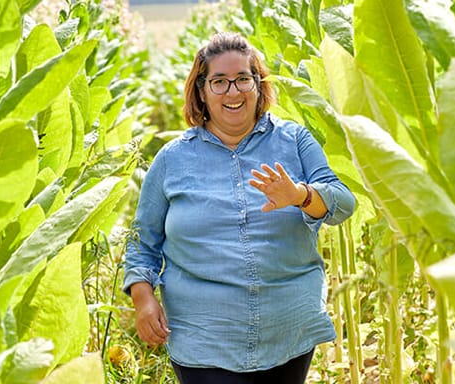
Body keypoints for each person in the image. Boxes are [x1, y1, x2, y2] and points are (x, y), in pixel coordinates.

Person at [123, 32, 355, 384]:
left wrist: (301, 195)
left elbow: (344, 202)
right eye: (219, 82)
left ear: (259, 85)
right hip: (203, 335)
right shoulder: (172, 159)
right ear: (201, 91)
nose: (233, 92)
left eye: (243, 79)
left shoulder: (295, 140)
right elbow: (142, 243)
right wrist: (143, 299)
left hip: (287, 331)